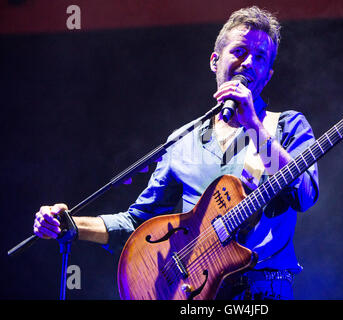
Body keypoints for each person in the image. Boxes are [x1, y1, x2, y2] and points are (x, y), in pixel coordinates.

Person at [33, 6, 319, 300]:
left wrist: (254, 127)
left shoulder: (286, 125)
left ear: (268, 75)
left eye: (260, 58)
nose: (248, 63)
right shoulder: (183, 140)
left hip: (262, 292)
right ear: (215, 60)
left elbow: (304, 195)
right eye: (240, 51)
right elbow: (137, 224)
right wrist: (71, 225)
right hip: (196, 293)